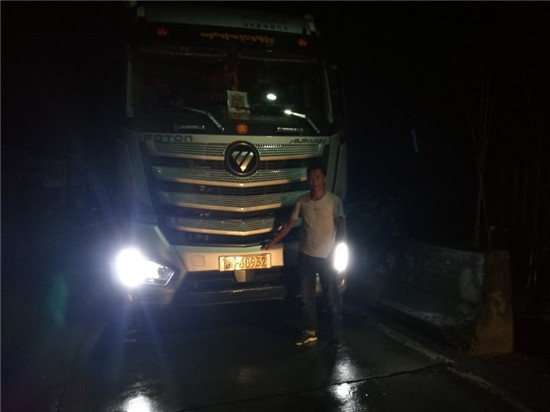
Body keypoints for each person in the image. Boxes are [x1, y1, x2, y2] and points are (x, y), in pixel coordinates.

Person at [262, 163, 346, 348]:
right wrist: (273, 242)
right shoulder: (302, 201)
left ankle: (335, 334)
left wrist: (337, 249)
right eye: (311, 178)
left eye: (318, 177)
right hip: (306, 257)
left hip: (327, 257)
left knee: (331, 297)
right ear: (308, 180)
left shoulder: (334, 201)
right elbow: (289, 224)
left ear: (324, 179)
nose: (315, 181)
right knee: (307, 299)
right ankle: (309, 332)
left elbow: (341, 226)